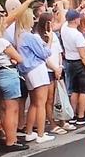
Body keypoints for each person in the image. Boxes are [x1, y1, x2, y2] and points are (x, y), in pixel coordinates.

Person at [0, 8, 29, 152]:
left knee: (3, 108)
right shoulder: (2, 42)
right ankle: (11, 140)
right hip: (8, 73)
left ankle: (6, 136)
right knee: (12, 110)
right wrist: (13, 60)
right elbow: (19, 59)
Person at [14, 9, 55, 144]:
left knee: (33, 103)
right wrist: (49, 41)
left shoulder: (19, 36)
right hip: (37, 69)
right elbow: (44, 54)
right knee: (41, 103)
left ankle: (30, 132)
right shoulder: (29, 36)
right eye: (31, 17)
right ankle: (41, 134)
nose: (33, 19)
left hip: (27, 71)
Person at [61, 9, 85, 125]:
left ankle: (73, 115)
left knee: (74, 90)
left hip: (70, 62)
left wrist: (81, 8)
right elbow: (83, 55)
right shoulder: (77, 35)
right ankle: (81, 116)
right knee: (84, 90)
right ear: (76, 20)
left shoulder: (64, 28)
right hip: (80, 63)